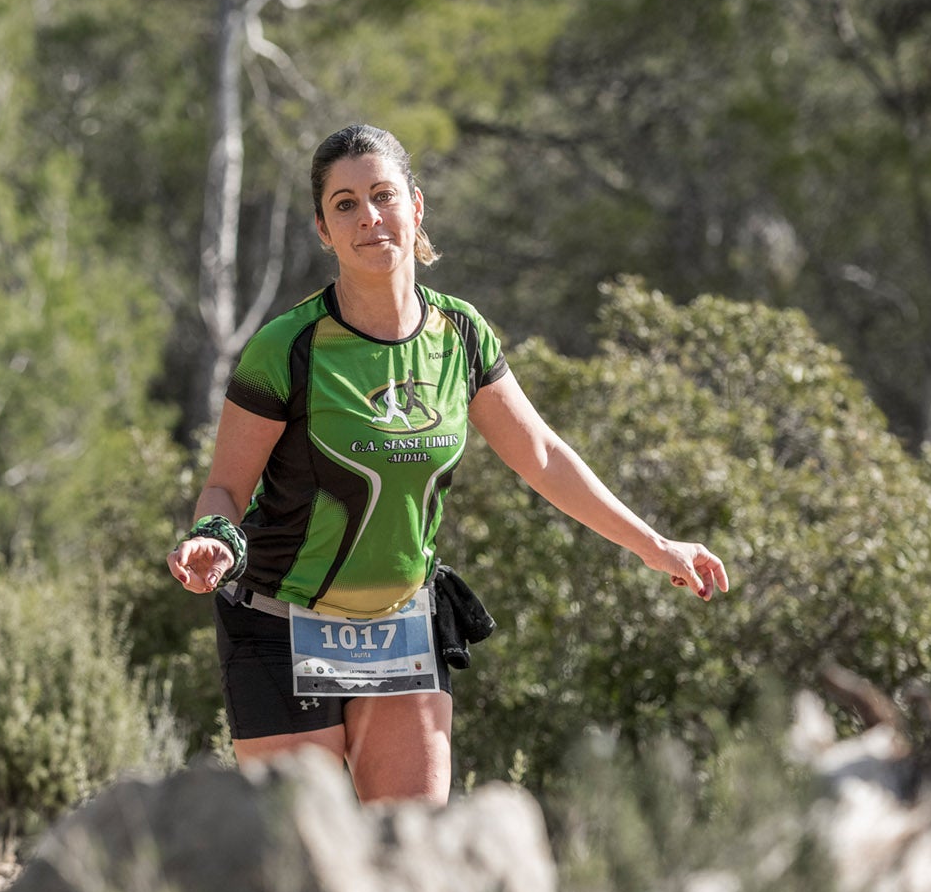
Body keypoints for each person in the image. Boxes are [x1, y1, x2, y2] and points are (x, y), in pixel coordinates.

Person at [166, 124, 729, 804]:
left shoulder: (460, 335)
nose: (368, 217)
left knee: (410, 851)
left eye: (382, 195)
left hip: (401, 625)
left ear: (416, 206)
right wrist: (215, 538)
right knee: (299, 868)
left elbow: (544, 455)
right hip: (280, 624)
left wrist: (654, 545)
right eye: (345, 204)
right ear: (323, 228)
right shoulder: (287, 348)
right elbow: (225, 488)